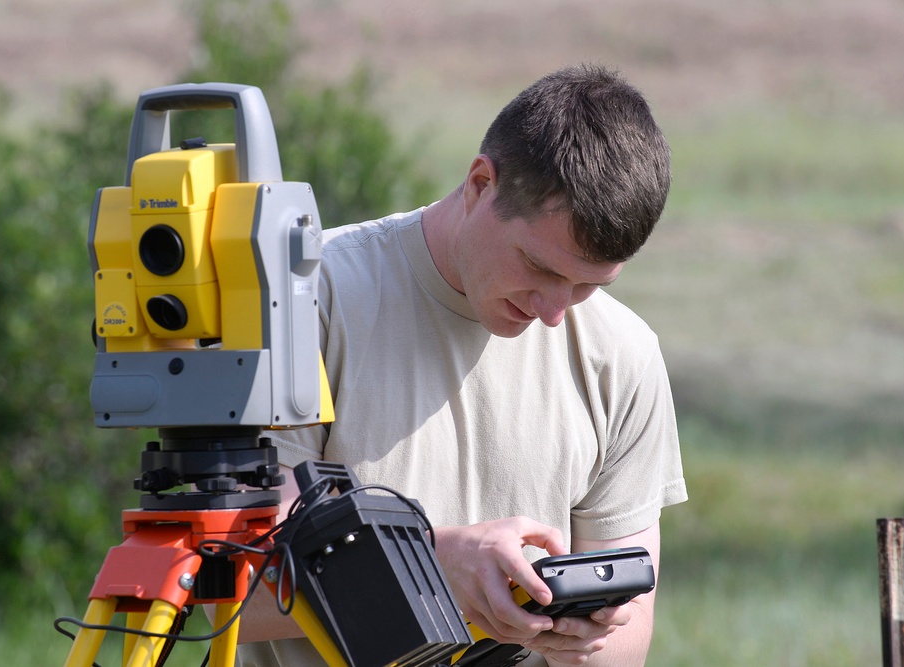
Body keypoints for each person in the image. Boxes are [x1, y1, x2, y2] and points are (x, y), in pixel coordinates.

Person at [235, 63, 687, 666]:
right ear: (480, 184)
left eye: (586, 286)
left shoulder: (622, 354)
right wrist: (436, 569)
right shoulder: (306, 300)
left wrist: (580, 636)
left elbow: (627, 640)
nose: (555, 312)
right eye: (542, 268)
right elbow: (231, 586)